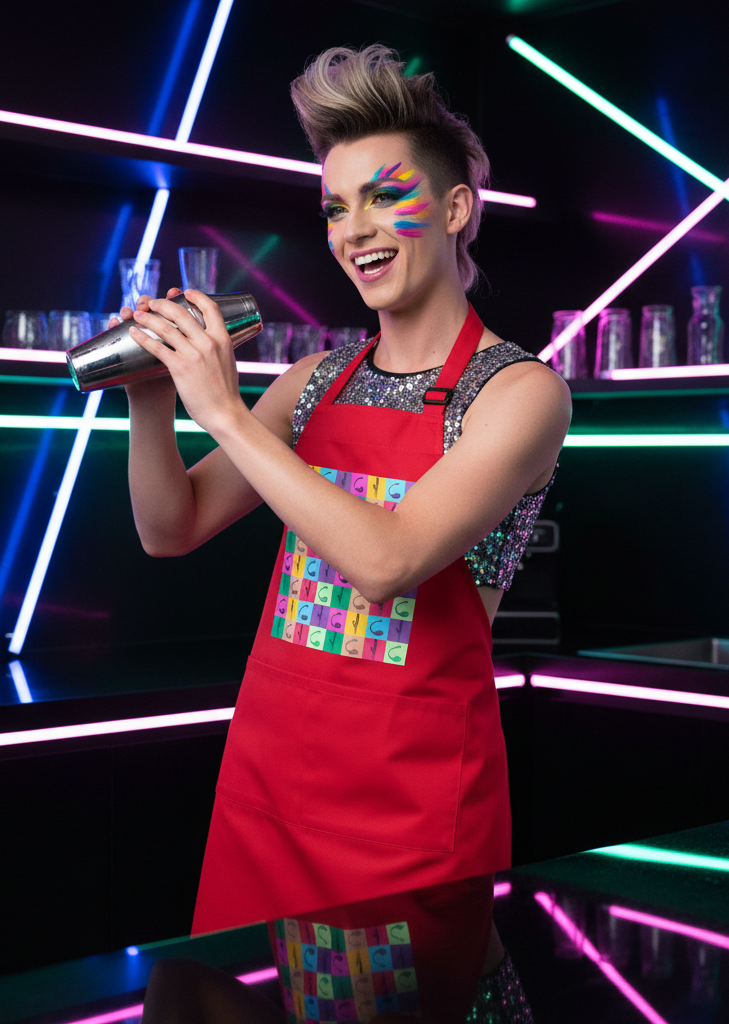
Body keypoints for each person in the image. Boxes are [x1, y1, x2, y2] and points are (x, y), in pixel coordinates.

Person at [120, 44, 570, 951]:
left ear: (454, 209)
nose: (354, 228)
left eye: (385, 195)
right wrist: (155, 398)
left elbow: (387, 561)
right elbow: (171, 529)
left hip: (408, 821)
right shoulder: (314, 383)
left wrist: (226, 412)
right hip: (268, 797)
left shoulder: (520, 393)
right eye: (335, 206)